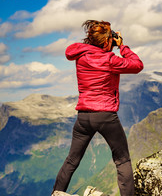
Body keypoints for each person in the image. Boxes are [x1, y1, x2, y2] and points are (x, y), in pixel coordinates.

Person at [52, 20, 144, 196]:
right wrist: (122, 46)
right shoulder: (109, 59)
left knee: (72, 160)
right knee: (122, 160)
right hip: (106, 116)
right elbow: (137, 65)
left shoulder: (80, 57)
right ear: (107, 41)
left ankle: (55, 193)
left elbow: (91, 49)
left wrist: (101, 43)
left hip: (83, 116)